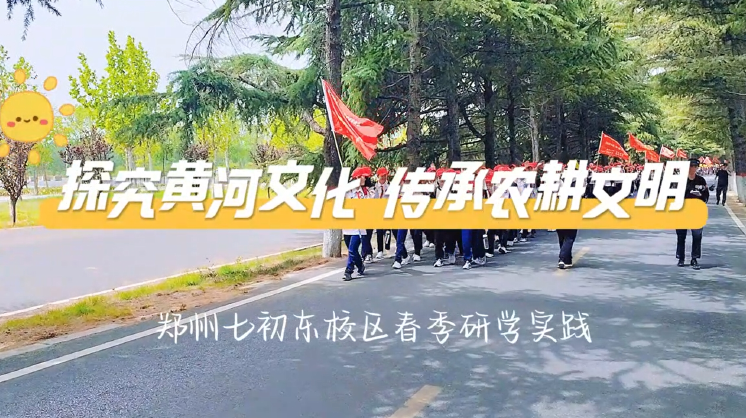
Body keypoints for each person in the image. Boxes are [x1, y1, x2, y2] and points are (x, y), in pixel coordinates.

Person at [676, 158, 709, 270]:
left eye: (695, 166)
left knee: (697, 236)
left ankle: (694, 258)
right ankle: (681, 258)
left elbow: (706, 195)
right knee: (681, 236)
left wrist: (700, 195)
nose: (693, 168)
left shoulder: (701, 180)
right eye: (691, 166)